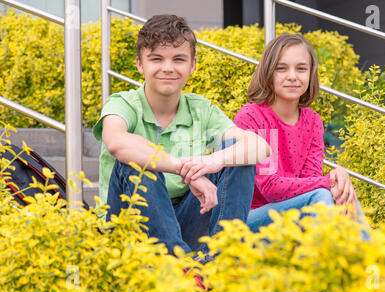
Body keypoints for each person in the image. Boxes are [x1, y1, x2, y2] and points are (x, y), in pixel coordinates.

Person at [92, 14, 271, 256]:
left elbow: (260, 146)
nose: (168, 68)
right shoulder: (123, 103)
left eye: (178, 59)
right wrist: (181, 169)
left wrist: (212, 161)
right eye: (156, 59)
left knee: (238, 156)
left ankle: (220, 263)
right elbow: (116, 142)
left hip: (185, 221)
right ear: (140, 64)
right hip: (127, 226)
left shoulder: (201, 109)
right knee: (137, 161)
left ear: (192, 65)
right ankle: (181, 267)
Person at [233, 33, 363, 233]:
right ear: (268, 72)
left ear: (311, 74)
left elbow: (309, 181)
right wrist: (330, 180)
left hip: (294, 213)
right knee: (325, 194)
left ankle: (368, 261)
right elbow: (270, 187)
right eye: (281, 68)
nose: (292, 76)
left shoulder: (312, 121)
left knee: (341, 197)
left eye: (301, 68)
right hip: (250, 220)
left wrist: (334, 184)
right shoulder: (253, 116)